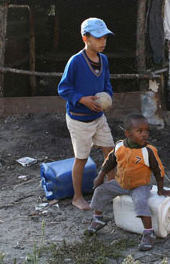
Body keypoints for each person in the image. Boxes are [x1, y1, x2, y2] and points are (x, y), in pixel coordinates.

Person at [85, 113, 170, 251]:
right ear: (128, 133)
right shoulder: (120, 146)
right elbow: (109, 161)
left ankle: (149, 233)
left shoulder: (148, 151)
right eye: (139, 131)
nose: (144, 134)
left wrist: (160, 189)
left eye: (146, 130)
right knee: (100, 190)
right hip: (120, 183)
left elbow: (159, 170)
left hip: (140, 186)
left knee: (140, 202)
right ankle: (98, 218)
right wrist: (101, 176)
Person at [58, 18, 115, 211]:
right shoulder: (75, 62)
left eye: (105, 37)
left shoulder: (104, 60)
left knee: (111, 152)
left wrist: (108, 98)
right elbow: (63, 89)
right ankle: (77, 197)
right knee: (81, 158)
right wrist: (83, 99)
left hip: (98, 118)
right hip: (79, 119)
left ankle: (112, 189)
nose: (103, 41)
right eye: (99, 38)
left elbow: (107, 84)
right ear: (86, 38)